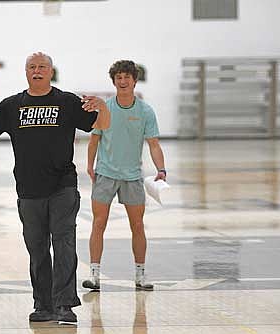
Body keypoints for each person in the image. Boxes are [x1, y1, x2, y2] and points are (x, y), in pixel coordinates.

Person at [0, 52, 111, 324]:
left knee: (64, 244)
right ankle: (43, 305)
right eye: (32, 67)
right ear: (25, 72)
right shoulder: (12, 105)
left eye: (42, 67)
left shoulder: (67, 101)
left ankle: (64, 305)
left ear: (51, 71)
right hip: (28, 189)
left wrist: (103, 107)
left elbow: (100, 125)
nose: (37, 71)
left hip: (63, 187)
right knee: (37, 249)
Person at [82, 60, 166, 292]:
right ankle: (94, 275)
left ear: (134, 80)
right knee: (99, 223)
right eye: (118, 77)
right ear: (114, 81)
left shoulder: (146, 111)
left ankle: (140, 274)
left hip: (132, 177)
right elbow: (94, 140)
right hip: (106, 174)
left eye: (126, 77)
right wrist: (90, 165)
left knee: (137, 225)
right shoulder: (104, 108)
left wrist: (161, 169)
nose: (123, 81)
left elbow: (154, 144)